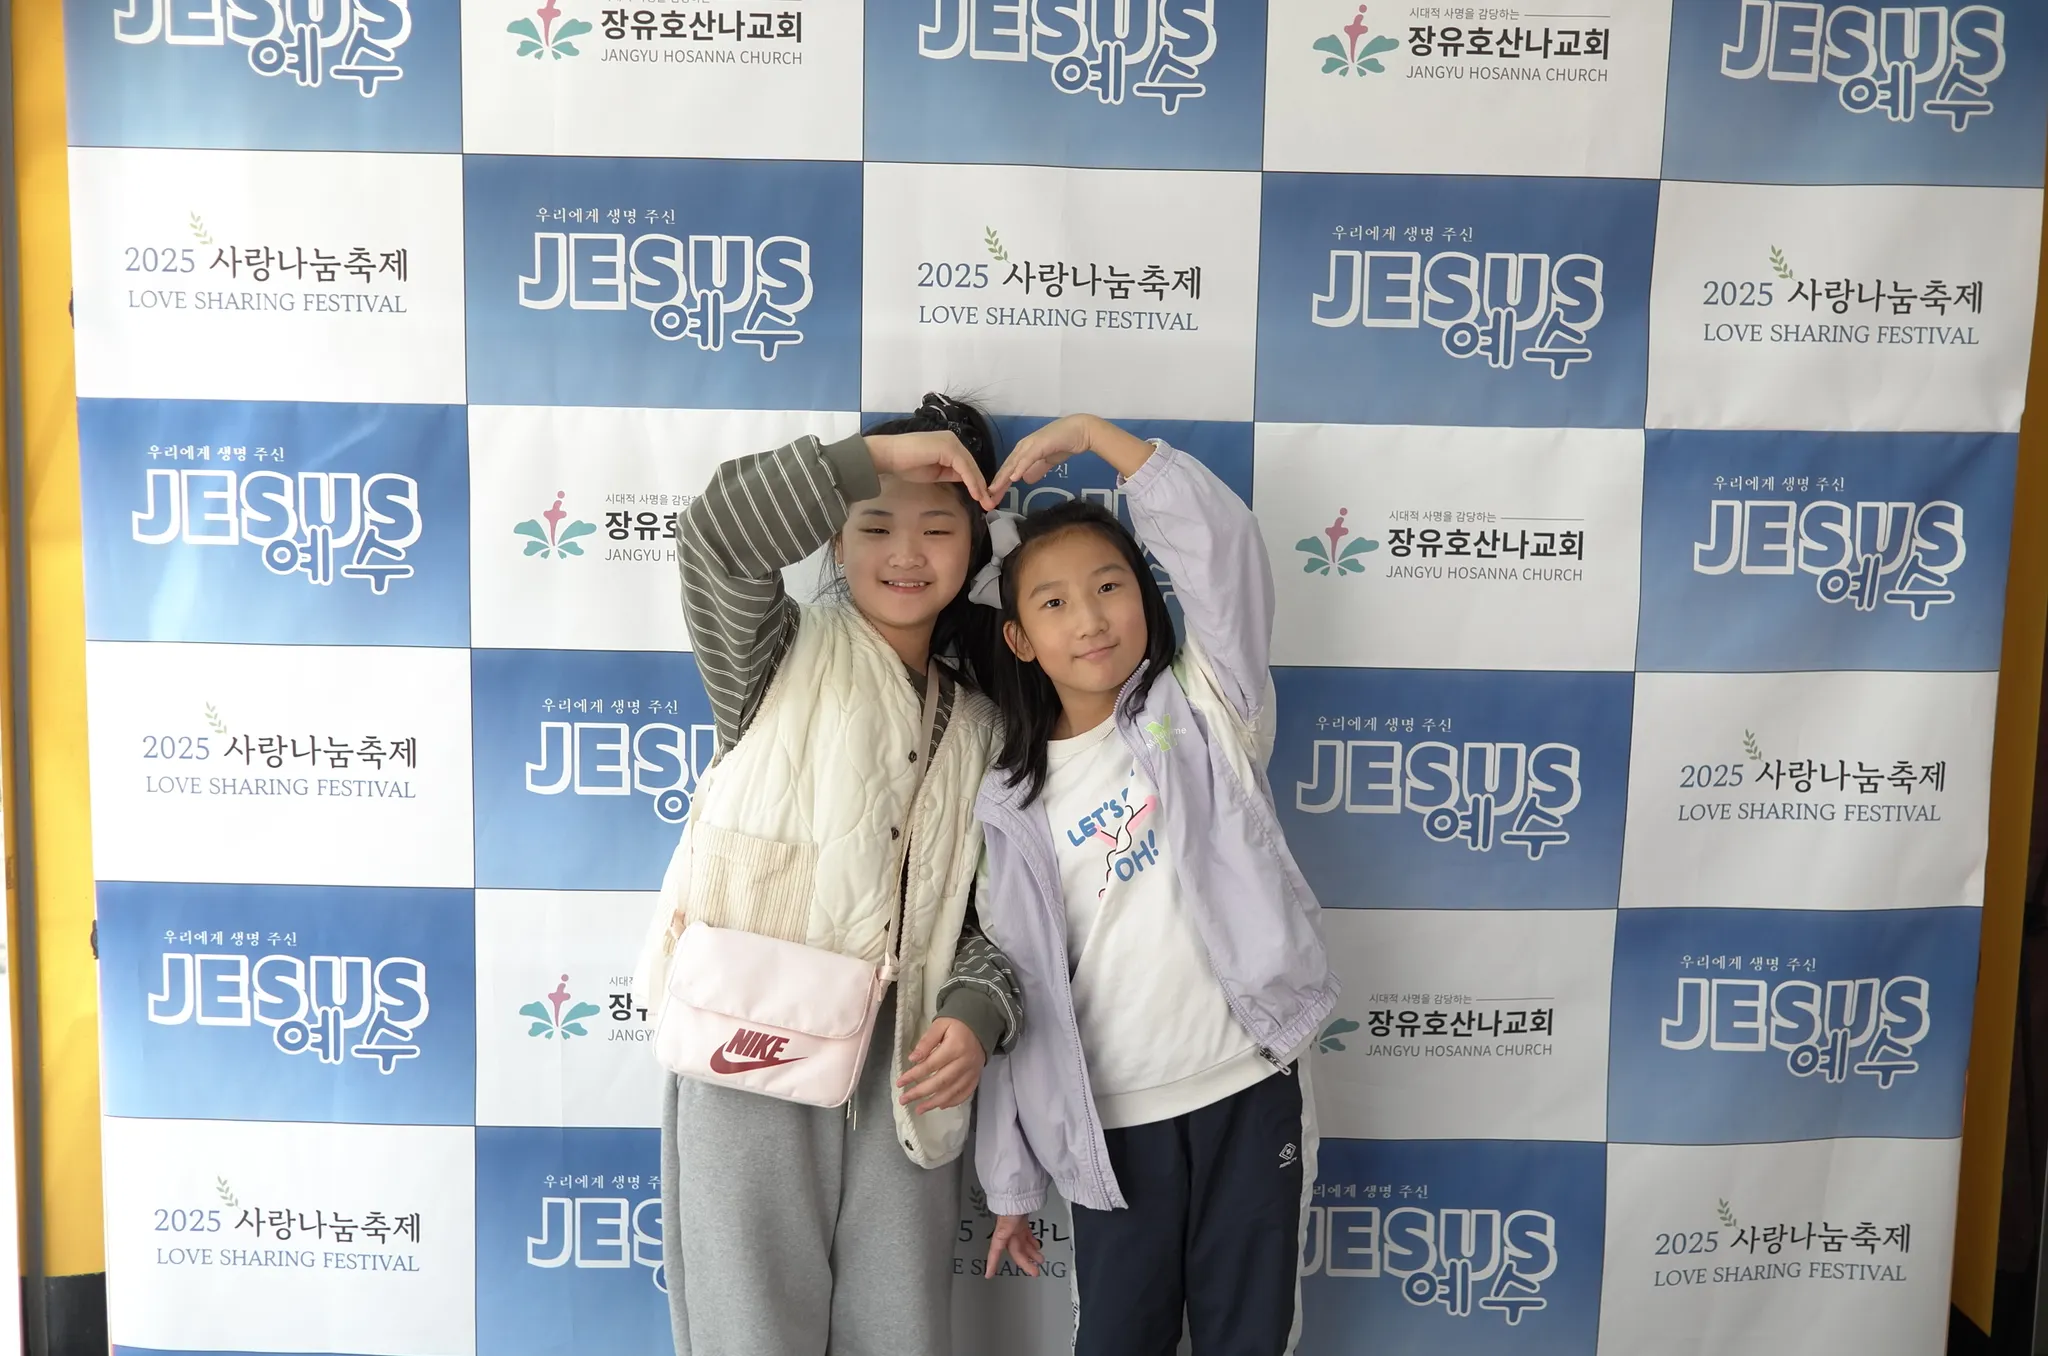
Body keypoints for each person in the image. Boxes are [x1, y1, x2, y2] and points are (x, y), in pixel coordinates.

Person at [635, 394, 1026, 1356]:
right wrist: (879, 455)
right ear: (835, 540)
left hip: (907, 1072)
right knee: (748, 1333)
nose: (906, 552)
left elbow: (1002, 918)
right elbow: (719, 535)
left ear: (974, 549)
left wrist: (977, 1012)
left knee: (900, 1335)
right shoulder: (772, 653)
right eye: (876, 524)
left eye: (939, 529)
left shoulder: (985, 723)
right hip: (752, 1047)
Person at [972, 414, 1339, 1355]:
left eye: (1110, 586)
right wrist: (1011, 1183)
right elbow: (1014, 989)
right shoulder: (1008, 803)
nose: (1090, 619)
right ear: (1020, 639)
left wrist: (1095, 436)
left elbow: (1225, 552)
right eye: (1054, 603)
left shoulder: (1205, 706)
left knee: (1247, 1336)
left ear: (1146, 594)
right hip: (1113, 1131)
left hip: (1248, 1087)